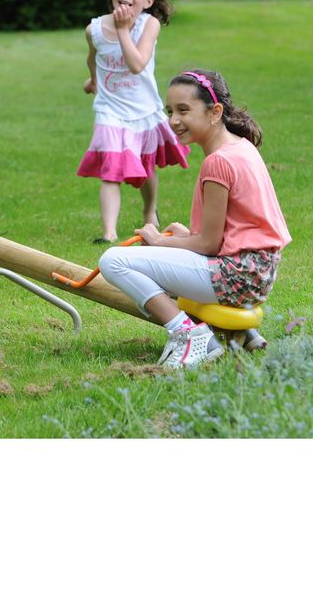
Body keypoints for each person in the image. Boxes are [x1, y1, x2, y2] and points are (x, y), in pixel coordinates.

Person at [98, 69, 291, 370]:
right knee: (155, 263)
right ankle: (241, 333)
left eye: (183, 110)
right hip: (258, 273)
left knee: (113, 261)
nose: (174, 120)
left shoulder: (218, 162)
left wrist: (159, 242)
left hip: (237, 277)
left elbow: (210, 244)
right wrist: (186, 235)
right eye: (170, 111)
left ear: (215, 112)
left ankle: (188, 335)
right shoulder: (241, 146)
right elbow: (234, 231)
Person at [76, 0, 189, 243]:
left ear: (148, 1)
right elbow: (93, 59)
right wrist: (93, 81)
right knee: (110, 171)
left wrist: (123, 30)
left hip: (143, 111)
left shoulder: (148, 25)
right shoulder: (94, 30)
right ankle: (109, 232)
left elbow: (137, 65)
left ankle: (150, 211)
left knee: (145, 168)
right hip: (109, 110)